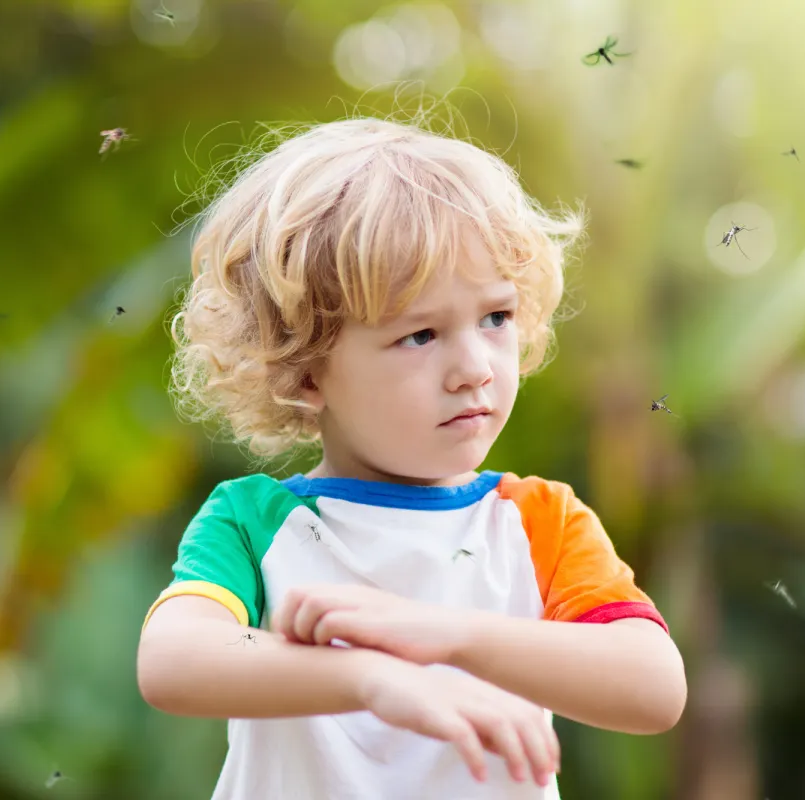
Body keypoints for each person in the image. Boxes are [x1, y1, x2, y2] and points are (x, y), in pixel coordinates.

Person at [136, 116, 687, 800]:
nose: (475, 369)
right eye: (420, 334)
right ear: (304, 373)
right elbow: (174, 661)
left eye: (496, 317)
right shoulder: (253, 522)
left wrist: (444, 635)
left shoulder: (540, 522)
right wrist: (372, 678)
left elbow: (652, 686)